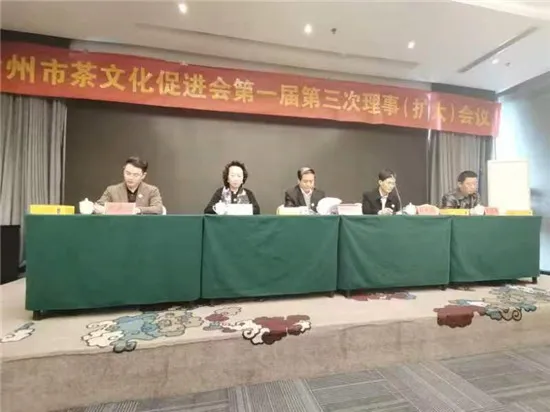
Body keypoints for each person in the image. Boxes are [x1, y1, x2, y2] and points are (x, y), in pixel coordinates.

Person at [94, 156, 163, 215]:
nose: (130, 178)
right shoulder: (112, 190)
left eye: (135, 175)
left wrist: (138, 210)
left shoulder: (152, 190)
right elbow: (97, 207)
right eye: (128, 173)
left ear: (143, 176)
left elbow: (158, 209)